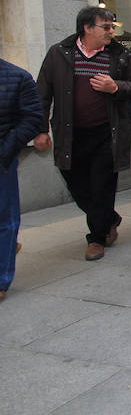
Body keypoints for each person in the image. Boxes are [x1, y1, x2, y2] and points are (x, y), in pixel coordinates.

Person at [34, 6, 131, 261]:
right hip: (70, 135)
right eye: (105, 27)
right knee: (76, 183)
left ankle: (96, 238)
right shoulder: (59, 54)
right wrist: (40, 130)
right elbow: (42, 94)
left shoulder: (119, 55)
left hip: (107, 133)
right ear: (86, 28)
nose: (110, 32)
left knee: (102, 186)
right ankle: (109, 218)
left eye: (111, 27)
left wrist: (115, 86)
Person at [0, 59, 43, 302]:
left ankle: (1, 278)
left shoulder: (17, 77)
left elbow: (32, 118)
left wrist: (6, 150)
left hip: (2, 160)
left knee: (4, 219)